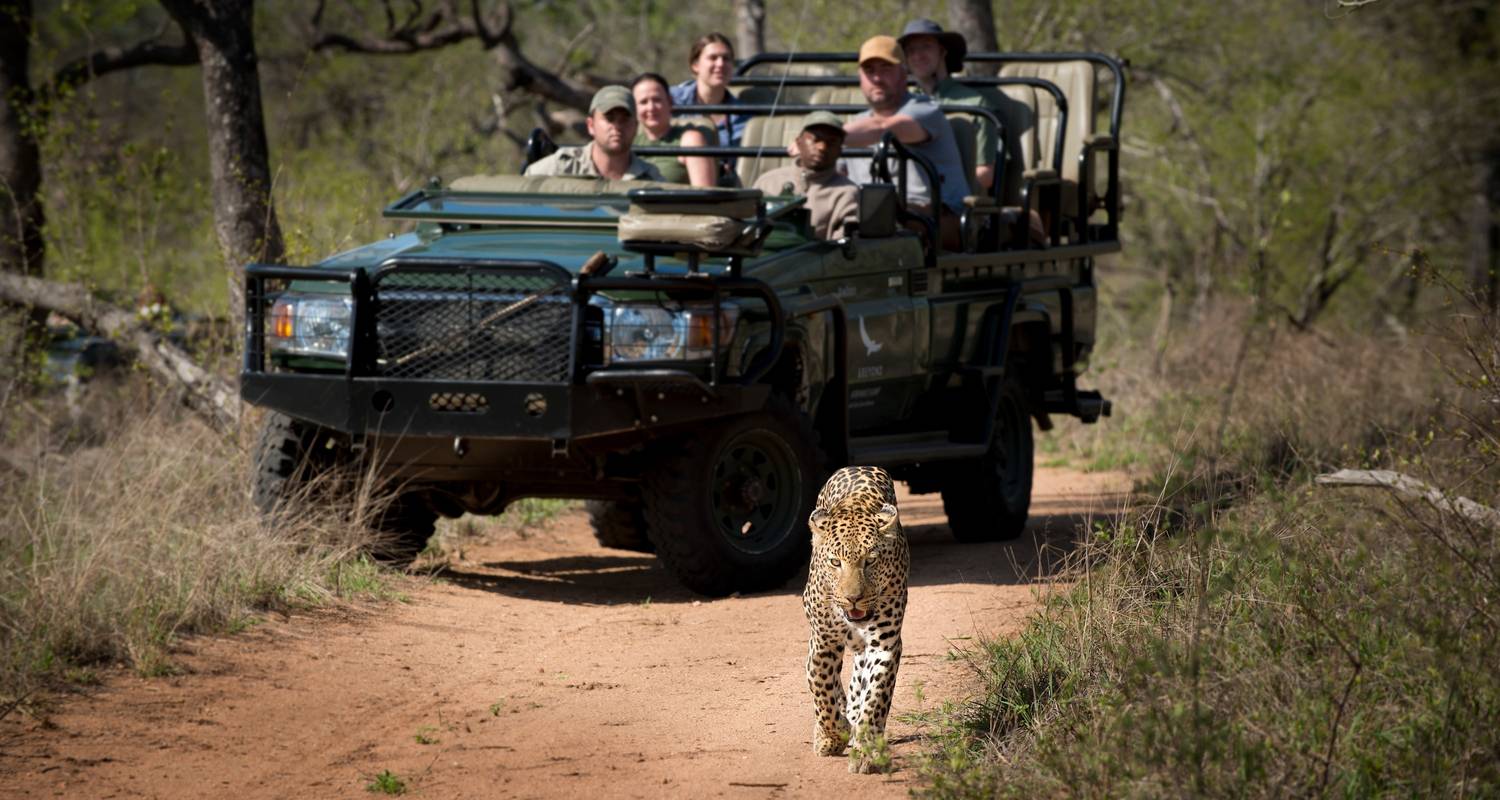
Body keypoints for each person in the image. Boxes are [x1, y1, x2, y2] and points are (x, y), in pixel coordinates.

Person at [840, 35, 968, 250]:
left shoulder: (925, 110)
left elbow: (886, 129)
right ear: (860, 78)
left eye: (886, 69)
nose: (877, 78)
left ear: (904, 72)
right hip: (870, 217)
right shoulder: (856, 124)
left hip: (934, 218)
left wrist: (825, 137)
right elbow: (836, 177)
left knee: (891, 226)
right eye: (870, 71)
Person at [752, 112, 859, 240]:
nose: (822, 147)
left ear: (840, 150)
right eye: (816, 139)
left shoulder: (847, 193)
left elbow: (841, 249)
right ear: (798, 142)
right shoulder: (767, 182)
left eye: (831, 141)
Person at [524, 86, 666, 181]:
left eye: (624, 120)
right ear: (591, 125)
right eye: (609, 119)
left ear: (635, 127)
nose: (617, 126)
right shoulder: (559, 168)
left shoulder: (651, 180)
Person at [671, 32, 750, 180]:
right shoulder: (672, 100)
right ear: (695, 65)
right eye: (713, 58)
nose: (720, 64)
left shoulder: (744, 115)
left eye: (726, 59)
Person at [631, 73, 717, 186]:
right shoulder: (630, 143)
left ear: (670, 102)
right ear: (633, 108)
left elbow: (705, 194)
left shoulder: (689, 140)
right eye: (643, 102)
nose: (651, 107)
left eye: (657, 100)